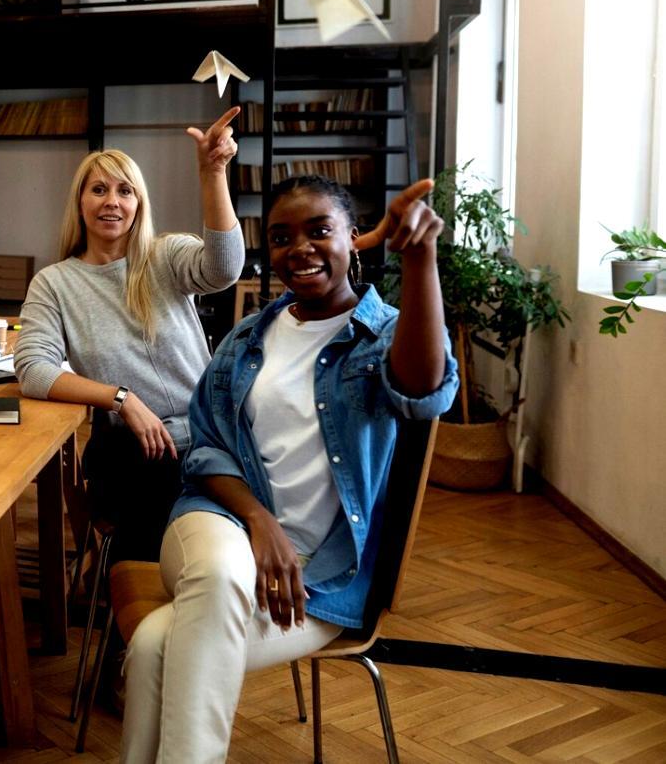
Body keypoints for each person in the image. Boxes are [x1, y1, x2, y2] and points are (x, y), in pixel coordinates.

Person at [119, 175, 458, 763]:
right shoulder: (248, 338)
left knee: (153, 643)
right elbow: (206, 450)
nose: (298, 247)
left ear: (354, 239)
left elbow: (423, 392)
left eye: (319, 230)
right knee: (223, 573)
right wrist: (260, 523)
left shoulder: (379, 338)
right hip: (217, 525)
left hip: (320, 578)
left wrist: (421, 256)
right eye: (281, 237)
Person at [14, 108, 244, 562]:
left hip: (207, 436)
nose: (112, 201)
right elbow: (33, 371)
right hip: (135, 449)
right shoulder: (55, 283)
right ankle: (144, 608)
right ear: (80, 202)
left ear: (139, 204)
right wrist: (122, 398)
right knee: (173, 537)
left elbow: (224, 269)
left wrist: (212, 172)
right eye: (98, 189)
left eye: (125, 191)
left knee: (223, 536)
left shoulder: (166, 255)